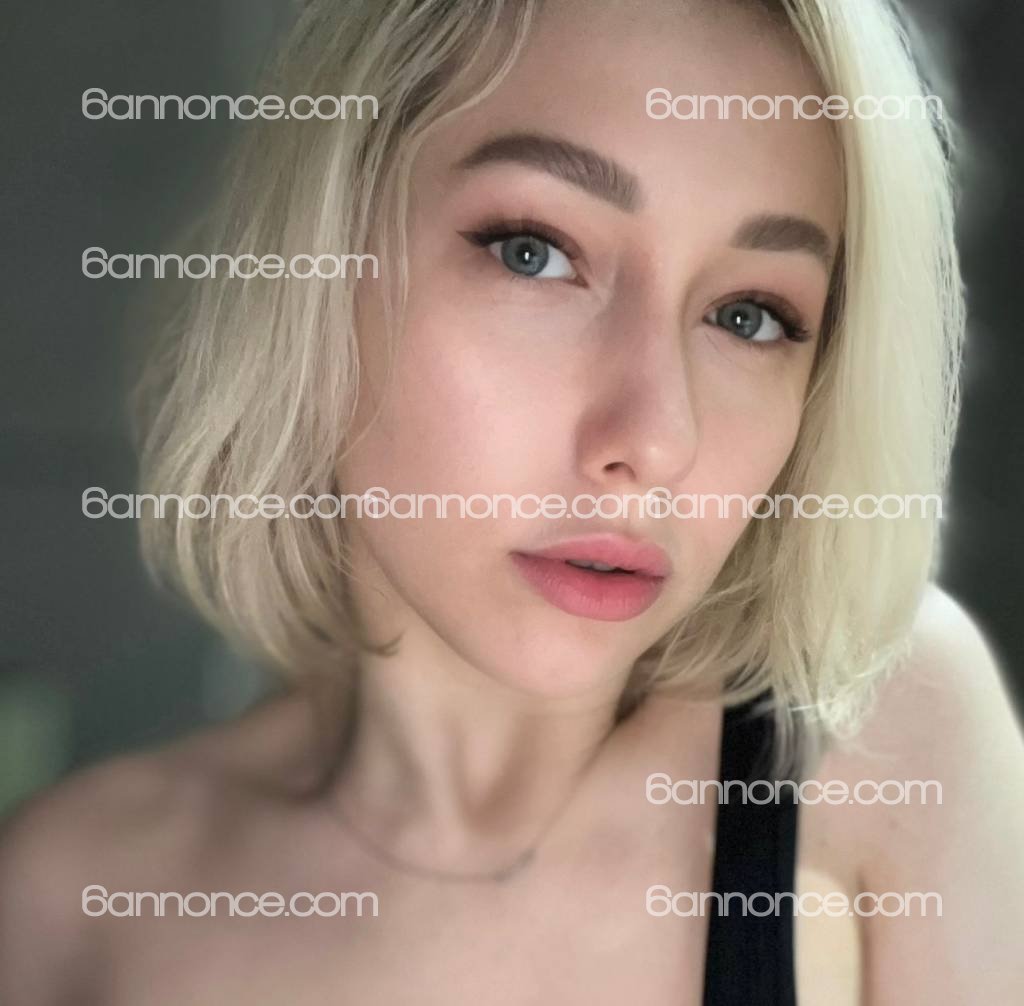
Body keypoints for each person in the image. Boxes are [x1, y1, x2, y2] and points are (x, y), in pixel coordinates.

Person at [2, 0, 1022, 1002]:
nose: (655, 440)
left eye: (749, 315)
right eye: (535, 253)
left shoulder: (881, 739)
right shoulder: (76, 902)